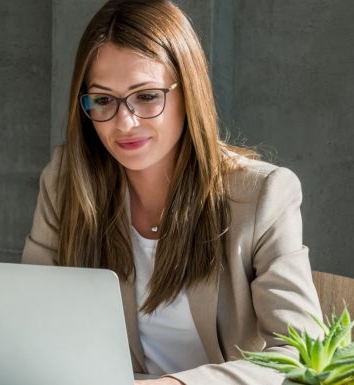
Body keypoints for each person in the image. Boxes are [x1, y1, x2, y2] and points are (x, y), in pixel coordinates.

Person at [21, 0, 324, 384]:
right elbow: (29, 320)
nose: (124, 122)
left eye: (146, 96)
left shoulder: (260, 194)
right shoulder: (66, 181)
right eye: (102, 100)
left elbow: (301, 352)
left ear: (188, 92)